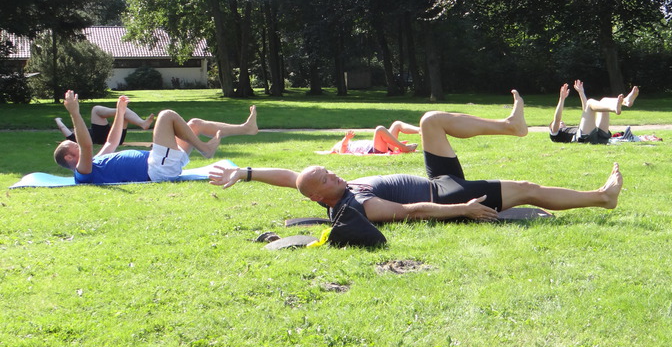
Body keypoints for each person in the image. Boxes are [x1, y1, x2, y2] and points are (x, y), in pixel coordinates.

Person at [209, 90, 623, 246]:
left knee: (430, 121)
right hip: (446, 195)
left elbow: (292, 178)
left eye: (328, 171)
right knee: (527, 188)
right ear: (321, 194)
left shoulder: (325, 190)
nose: (334, 173)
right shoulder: (359, 206)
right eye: (327, 177)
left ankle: (510, 126)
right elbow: (412, 211)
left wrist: (245, 172)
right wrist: (464, 209)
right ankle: (602, 198)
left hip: (435, 179)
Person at [54, 90, 259, 185]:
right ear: (69, 157)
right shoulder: (83, 172)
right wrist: (74, 113)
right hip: (157, 169)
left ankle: (246, 128)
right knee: (167, 115)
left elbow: (111, 141)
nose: (77, 144)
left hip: (160, 162)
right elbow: (86, 145)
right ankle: (205, 149)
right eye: (73, 145)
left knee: (195, 124)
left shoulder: (97, 161)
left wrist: (120, 111)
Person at [549, 80, 639, 145]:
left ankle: (625, 101)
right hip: (584, 139)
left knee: (604, 100)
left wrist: (581, 92)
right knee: (590, 102)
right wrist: (562, 99)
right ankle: (615, 107)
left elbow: (586, 110)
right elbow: (557, 119)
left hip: (600, 137)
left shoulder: (571, 129)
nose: (561, 122)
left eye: (562, 122)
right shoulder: (556, 134)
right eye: (559, 123)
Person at [55, 104, 155, 146]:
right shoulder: (73, 138)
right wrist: (57, 120)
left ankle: (142, 123)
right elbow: (62, 127)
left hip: (117, 139)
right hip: (103, 137)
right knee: (96, 109)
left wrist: (58, 120)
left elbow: (63, 128)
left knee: (124, 112)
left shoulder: (74, 137)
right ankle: (142, 123)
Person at [326, 121, 419, 154]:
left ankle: (420, 130)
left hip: (382, 146)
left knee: (397, 124)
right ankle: (403, 148)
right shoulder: (344, 149)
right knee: (380, 129)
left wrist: (394, 142)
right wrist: (346, 139)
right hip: (375, 150)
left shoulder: (352, 144)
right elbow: (343, 147)